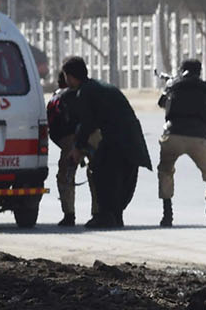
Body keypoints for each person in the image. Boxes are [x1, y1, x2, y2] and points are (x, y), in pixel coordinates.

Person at [59, 56, 151, 229]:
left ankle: (106, 216)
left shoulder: (85, 92)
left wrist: (77, 149)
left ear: (70, 76)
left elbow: (86, 124)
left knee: (101, 173)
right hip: (132, 139)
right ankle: (115, 215)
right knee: (120, 179)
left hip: (117, 139)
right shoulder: (100, 87)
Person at [156, 58, 206, 227]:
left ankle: (167, 213)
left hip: (172, 135)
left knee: (165, 171)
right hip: (199, 137)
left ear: (181, 70)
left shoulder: (173, 85)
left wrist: (170, 86)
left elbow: (161, 103)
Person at [46, 70, 92, 227]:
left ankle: (69, 214)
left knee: (65, 177)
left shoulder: (57, 97)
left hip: (69, 140)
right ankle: (99, 213)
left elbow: (51, 124)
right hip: (91, 137)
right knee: (94, 174)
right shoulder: (87, 93)